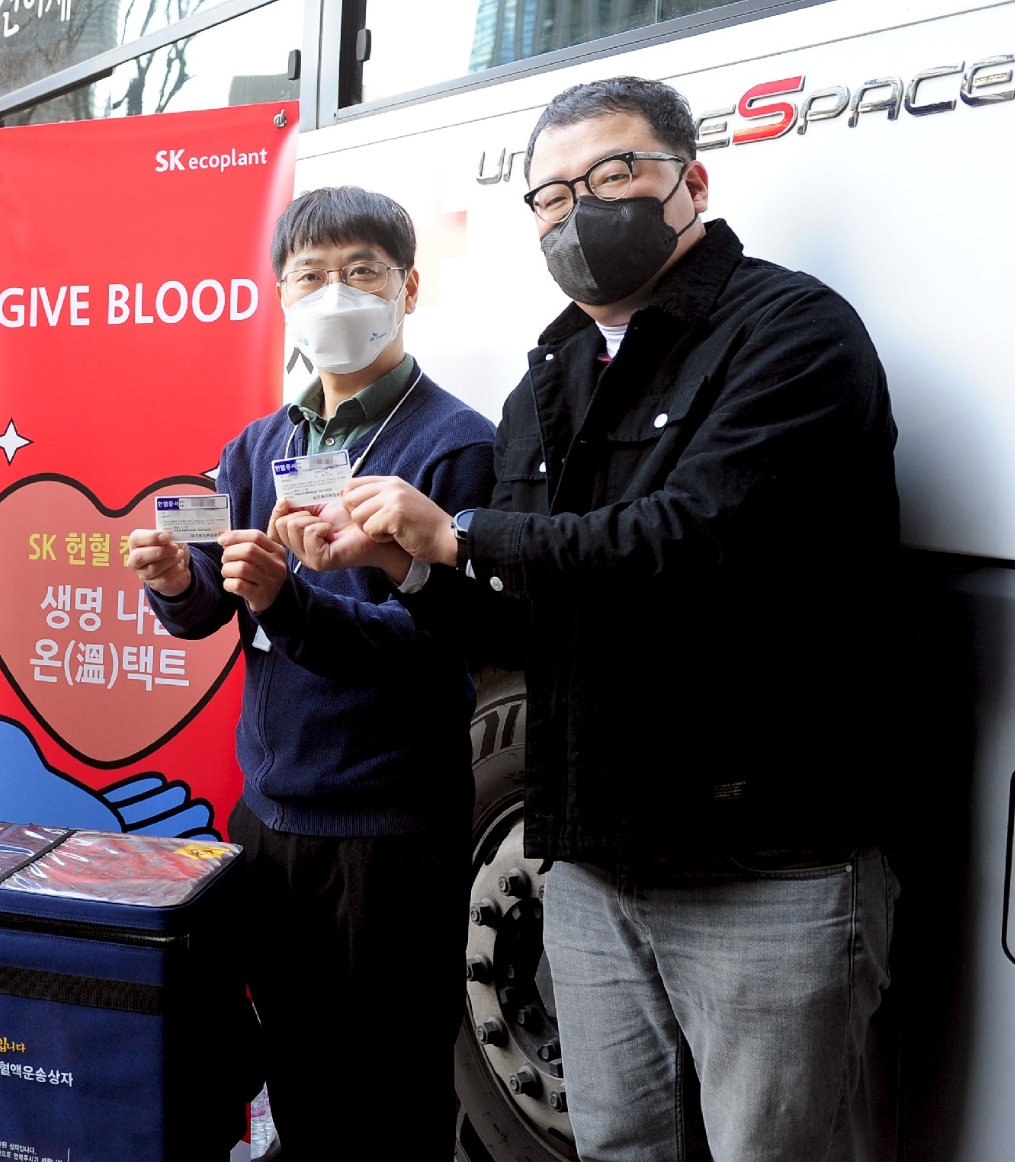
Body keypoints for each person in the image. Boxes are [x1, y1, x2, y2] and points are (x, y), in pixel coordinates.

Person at [281, 77, 901, 1161]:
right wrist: (411, 567)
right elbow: (524, 615)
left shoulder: (793, 330)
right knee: (616, 1146)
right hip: (587, 858)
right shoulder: (552, 372)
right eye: (551, 194)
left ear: (689, 181)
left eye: (614, 174)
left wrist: (457, 533)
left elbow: (691, 540)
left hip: (761, 861)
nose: (579, 210)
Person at [125, 186, 494, 1158]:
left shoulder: (454, 447)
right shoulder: (257, 444)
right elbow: (209, 601)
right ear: (281, 297)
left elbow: (434, 649)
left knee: (390, 1085)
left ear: (408, 287)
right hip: (272, 814)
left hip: (390, 827)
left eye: (362, 271)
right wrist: (172, 579)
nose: (336, 295)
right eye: (311, 276)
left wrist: (289, 602)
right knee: (292, 1068)